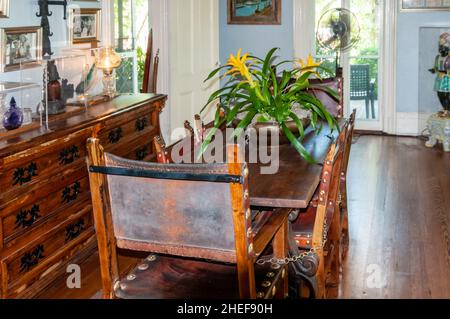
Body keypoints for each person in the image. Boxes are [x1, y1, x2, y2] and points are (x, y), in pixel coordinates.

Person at [429, 32, 450, 112]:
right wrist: (434, 70)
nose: (442, 49)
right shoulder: (438, 57)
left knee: (446, 95)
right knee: (439, 94)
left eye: (444, 47)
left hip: (447, 79)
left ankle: (447, 110)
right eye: (440, 47)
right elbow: (436, 67)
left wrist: (445, 71)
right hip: (439, 79)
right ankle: (446, 109)